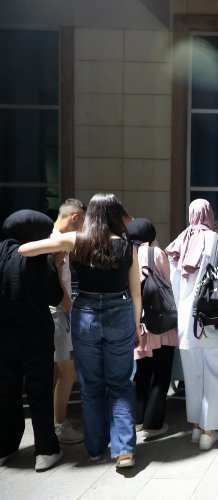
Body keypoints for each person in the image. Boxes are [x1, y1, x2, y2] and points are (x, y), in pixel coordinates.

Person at [19, 193, 142, 468]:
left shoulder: (76, 241)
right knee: (121, 384)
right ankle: (124, 451)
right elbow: (135, 292)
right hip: (119, 314)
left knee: (91, 385)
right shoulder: (127, 247)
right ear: (114, 215)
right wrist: (137, 326)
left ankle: (95, 449)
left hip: (85, 314)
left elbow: (24, 250)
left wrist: (56, 260)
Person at [166, 199, 218, 451]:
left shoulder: (180, 241)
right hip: (215, 318)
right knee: (217, 373)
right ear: (211, 214)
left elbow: (173, 285)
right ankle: (209, 432)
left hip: (187, 320)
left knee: (194, 374)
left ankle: (197, 427)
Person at [0, 210, 65, 470]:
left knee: (6, 393)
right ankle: (45, 451)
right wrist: (57, 267)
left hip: (4, 338)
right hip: (35, 337)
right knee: (39, 393)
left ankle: (5, 447)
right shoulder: (38, 257)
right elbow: (54, 296)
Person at [127, 218, 179, 439]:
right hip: (158, 321)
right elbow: (167, 282)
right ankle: (153, 424)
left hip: (136, 321)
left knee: (141, 372)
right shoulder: (155, 253)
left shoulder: (124, 252)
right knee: (161, 373)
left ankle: (138, 419)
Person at [49, 198, 86, 445]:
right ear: (74, 217)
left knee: (60, 371)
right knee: (68, 372)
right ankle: (59, 426)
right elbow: (56, 280)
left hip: (54, 312)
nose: (82, 228)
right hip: (57, 312)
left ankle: (56, 422)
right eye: (81, 222)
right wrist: (72, 307)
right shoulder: (59, 242)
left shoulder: (49, 236)